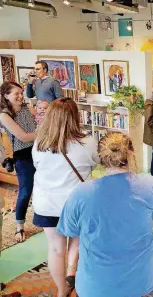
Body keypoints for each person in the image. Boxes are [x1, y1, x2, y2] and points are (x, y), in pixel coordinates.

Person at [57, 132, 153, 297]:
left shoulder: (81, 193)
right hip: (141, 282)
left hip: (95, 286)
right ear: (131, 153)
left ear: (100, 157)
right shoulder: (150, 184)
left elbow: (71, 232)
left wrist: (71, 269)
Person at [32, 98, 99, 297]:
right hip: (76, 204)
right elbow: (94, 165)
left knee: (54, 248)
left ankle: (62, 290)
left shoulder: (40, 143)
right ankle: (72, 273)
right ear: (75, 117)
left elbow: (38, 166)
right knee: (77, 240)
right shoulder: (87, 142)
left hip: (47, 203)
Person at [0, 82, 37, 242]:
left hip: (40, 150)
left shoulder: (27, 107)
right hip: (23, 155)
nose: (21, 96)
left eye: (22, 93)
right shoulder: (4, 115)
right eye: (17, 93)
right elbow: (23, 137)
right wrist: (45, 133)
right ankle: (19, 227)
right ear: (6, 95)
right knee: (25, 191)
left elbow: (40, 120)